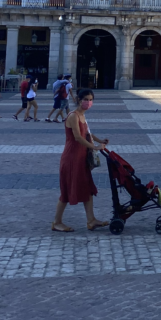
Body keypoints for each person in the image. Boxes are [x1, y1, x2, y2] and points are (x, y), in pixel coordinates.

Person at [51, 87, 109, 232]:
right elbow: (77, 137)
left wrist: (100, 140)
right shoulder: (73, 116)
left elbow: (88, 133)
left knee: (87, 188)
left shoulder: (82, 116)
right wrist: (95, 147)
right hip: (72, 157)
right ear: (78, 100)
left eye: (90, 100)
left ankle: (91, 220)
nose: (88, 102)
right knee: (66, 190)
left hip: (81, 157)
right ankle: (56, 222)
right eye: (86, 100)